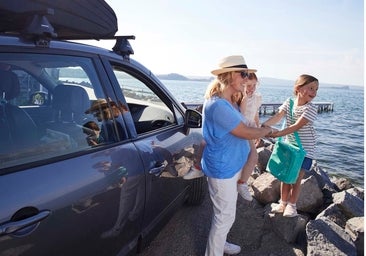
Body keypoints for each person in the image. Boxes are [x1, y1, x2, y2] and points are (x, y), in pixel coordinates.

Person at [201, 55, 273, 256]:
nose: (246, 78)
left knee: (226, 215)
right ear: (229, 75)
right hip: (223, 169)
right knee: (224, 217)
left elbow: (243, 124)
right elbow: (244, 132)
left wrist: (255, 126)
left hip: (231, 166)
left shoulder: (229, 102)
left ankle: (220, 243)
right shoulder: (218, 105)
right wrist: (265, 131)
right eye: (243, 74)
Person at [261, 74, 319, 217]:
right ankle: (283, 203)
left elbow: (295, 127)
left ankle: (292, 206)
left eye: (316, 89)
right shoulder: (290, 102)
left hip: (304, 149)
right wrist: (264, 125)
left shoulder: (311, 109)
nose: (314, 92)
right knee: (285, 176)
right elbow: (278, 116)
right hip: (289, 145)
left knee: (296, 178)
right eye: (311, 88)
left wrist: (275, 134)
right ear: (298, 88)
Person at [236, 73, 262, 201]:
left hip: (251, 128)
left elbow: (255, 113)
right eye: (248, 85)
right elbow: (241, 113)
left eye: (254, 85)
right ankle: (241, 183)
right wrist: (245, 98)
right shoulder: (240, 97)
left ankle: (242, 182)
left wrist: (258, 128)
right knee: (251, 156)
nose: (251, 88)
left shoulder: (257, 97)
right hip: (242, 128)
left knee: (252, 156)